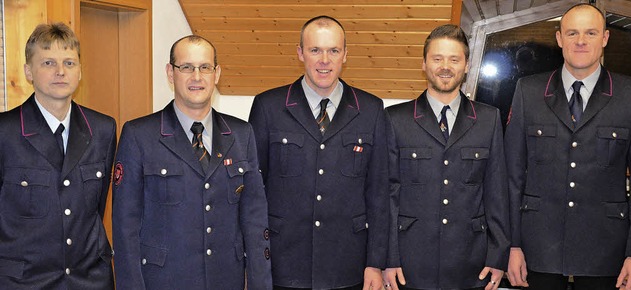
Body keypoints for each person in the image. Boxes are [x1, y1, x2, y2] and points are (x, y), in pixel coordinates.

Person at [112, 35, 272, 289]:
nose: (196, 77)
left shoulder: (242, 134)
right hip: (163, 282)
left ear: (216, 74)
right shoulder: (139, 135)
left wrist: (260, 284)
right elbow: (125, 228)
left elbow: (255, 220)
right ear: (170, 73)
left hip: (225, 280)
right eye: (186, 67)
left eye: (205, 67)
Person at [505, 3, 631, 290]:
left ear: (605, 38)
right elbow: (511, 178)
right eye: (572, 33)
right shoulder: (528, 92)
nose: (581, 41)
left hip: (606, 253)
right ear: (559, 39)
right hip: (536, 249)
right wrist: (511, 246)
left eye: (590, 33)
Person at [248, 15, 389, 290]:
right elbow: (254, 192)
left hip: (347, 265)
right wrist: (253, 258)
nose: (324, 60)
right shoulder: (268, 107)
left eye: (333, 50)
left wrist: (375, 263)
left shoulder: (371, 109)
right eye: (315, 50)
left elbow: (379, 193)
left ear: (345, 55)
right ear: (300, 53)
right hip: (283, 263)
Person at [383, 24, 510, 290]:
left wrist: (498, 256)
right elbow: (388, 196)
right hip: (410, 263)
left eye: (454, 59)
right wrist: (388, 259)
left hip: (471, 262)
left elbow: (496, 193)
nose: (445, 66)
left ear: (466, 66)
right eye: (437, 58)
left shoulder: (488, 119)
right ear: (424, 64)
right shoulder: (396, 120)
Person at [0, 23, 116, 289]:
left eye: (69, 63)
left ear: (80, 71)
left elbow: (96, 209)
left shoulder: (103, 129)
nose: (61, 71)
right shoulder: (5, 132)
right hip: (24, 281)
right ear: (29, 71)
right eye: (48, 62)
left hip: (89, 280)